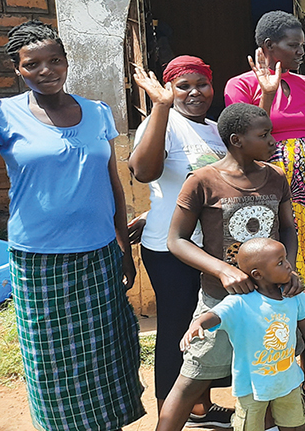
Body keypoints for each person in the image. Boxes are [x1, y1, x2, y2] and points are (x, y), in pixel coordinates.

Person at [0, 20, 145, 431]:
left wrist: (123, 249)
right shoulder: (3, 114)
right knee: (49, 356)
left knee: (106, 349)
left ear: (66, 61)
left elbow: (113, 183)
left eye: (54, 60)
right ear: (17, 69)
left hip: (98, 253)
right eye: (33, 64)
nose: (46, 70)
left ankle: (107, 423)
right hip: (37, 258)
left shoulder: (97, 113)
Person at [157, 102, 301, 431]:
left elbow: (288, 228)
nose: (272, 141)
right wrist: (222, 269)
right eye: (264, 135)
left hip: (270, 303)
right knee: (193, 378)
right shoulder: (203, 181)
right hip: (220, 300)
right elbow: (176, 239)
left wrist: (288, 268)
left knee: (267, 372)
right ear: (237, 140)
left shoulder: (276, 177)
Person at [128, 56, 230, 424]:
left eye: (201, 84)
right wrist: (160, 107)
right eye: (182, 85)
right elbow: (144, 171)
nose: (193, 92)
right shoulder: (163, 122)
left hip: (213, 249)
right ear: (169, 88)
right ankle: (166, 418)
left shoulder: (217, 129)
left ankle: (199, 408)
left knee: (204, 327)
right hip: (170, 248)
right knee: (175, 329)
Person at [225, 10, 305, 294]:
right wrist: (268, 94)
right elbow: (248, 141)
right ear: (268, 46)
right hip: (266, 182)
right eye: (293, 45)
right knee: (273, 251)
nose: (301, 51)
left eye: (302, 44)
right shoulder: (240, 85)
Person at [180, 238, 305, 431]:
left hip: (288, 381)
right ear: (258, 274)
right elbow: (215, 314)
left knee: (290, 423)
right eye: (280, 262)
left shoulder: (292, 295)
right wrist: (198, 324)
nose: (289, 264)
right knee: (249, 426)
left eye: (285, 258)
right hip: (251, 387)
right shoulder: (241, 302)